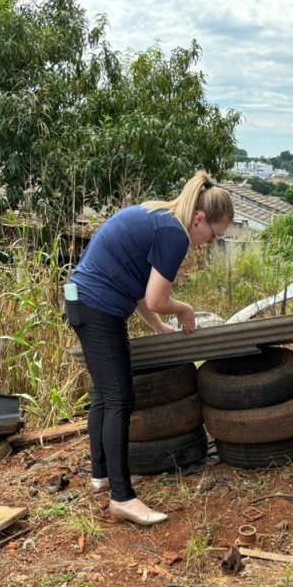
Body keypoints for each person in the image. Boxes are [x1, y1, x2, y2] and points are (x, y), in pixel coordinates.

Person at [65, 171, 233, 526]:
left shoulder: (160, 216)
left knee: (105, 396)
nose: (208, 243)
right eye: (213, 235)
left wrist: (158, 326)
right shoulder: (176, 235)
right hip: (96, 307)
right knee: (120, 399)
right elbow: (157, 298)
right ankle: (122, 498)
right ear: (200, 219)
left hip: (82, 300)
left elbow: (140, 286)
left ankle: (102, 476)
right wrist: (184, 310)